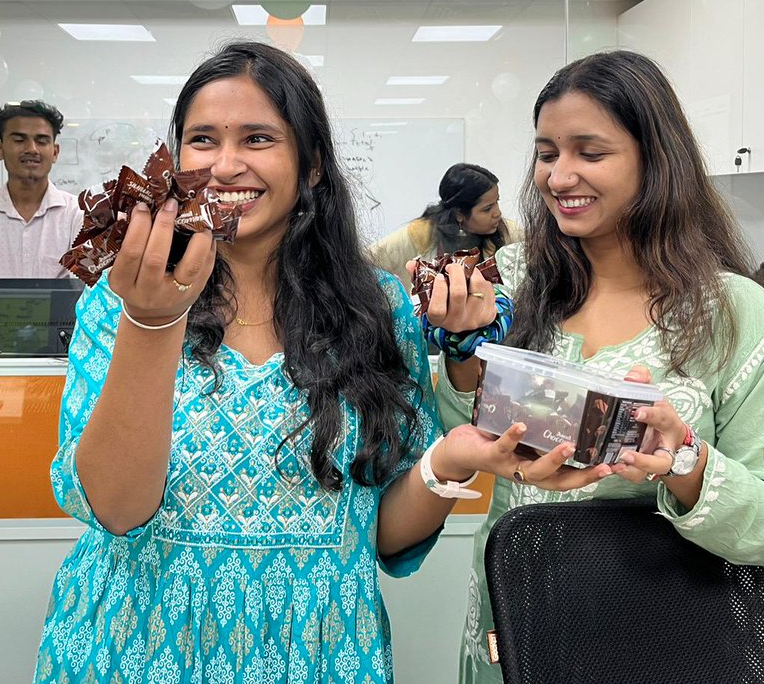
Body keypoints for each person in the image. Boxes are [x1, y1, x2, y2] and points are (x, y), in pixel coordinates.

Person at [34, 42, 524, 683]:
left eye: (259, 138)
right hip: (135, 647)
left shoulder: (376, 311)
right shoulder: (120, 303)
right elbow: (117, 508)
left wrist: (448, 460)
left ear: (313, 165)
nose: (226, 165)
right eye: (202, 139)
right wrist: (151, 324)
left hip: (318, 653)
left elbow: (382, 536)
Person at [426, 50, 764, 684]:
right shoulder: (513, 283)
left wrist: (683, 462)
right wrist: (466, 350)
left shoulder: (733, 314)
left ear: (654, 161)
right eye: (547, 154)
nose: (558, 176)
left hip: (664, 638)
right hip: (517, 635)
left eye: (590, 153)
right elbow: (467, 436)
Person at [0, 100, 84, 279]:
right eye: (19, 140)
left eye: (41, 141)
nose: (31, 149)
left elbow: (89, 294)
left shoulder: (80, 217)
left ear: (55, 152)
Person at [367, 163, 517, 283]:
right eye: (487, 209)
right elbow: (363, 264)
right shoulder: (421, 236)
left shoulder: (507, 233)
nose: (498, 213)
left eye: (496, 202)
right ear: (459, 214)